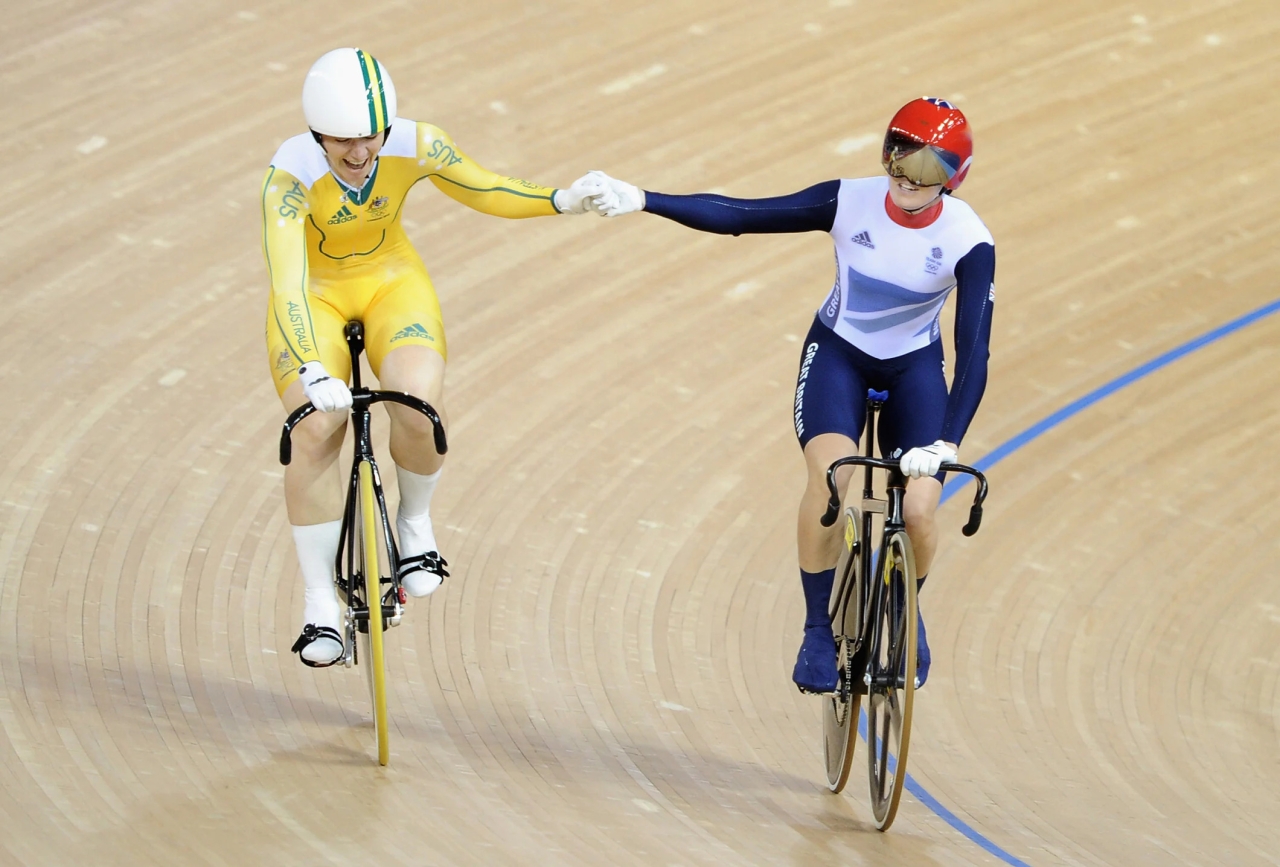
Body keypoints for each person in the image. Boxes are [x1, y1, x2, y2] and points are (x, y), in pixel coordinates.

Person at [586, 97, 995, 691]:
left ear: (953, 179)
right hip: (840, 355)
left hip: (915, 371)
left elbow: (973, 354)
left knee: (919, 509)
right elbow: (741, 215)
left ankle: (906, 610)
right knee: (830, 479)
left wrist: (945, 442)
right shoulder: (848, 199)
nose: (907, 178)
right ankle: (815, 630)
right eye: (898, 158)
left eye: (927, 171)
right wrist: (645, 198)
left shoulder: (969, 239)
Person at [262, 48, 604, 667]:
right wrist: (313, 369)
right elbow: (287, 285)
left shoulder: (418, 144)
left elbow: (489, 188)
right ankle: (320, 604)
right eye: (342, 142)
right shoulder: (286, 179)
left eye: (370, 138)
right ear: (317, 134)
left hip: (393, 282)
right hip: (313, 301)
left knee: (418, 406)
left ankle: (414, 526)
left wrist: (563, 199)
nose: (360, 154)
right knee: (316, 428)